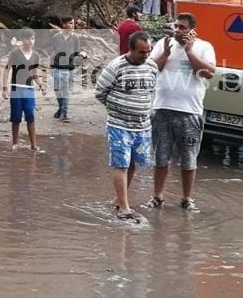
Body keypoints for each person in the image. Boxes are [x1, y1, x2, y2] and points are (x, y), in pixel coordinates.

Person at [144, 13, 216, 212]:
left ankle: (186, 198)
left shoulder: (204, 47)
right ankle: (157, 196)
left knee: (188, 158)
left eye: (182, 27)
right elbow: (150, 69)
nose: (178, 30)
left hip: (190, 111)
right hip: (162, 109)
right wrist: (166, 53)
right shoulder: (162, 44)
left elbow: (209, 73)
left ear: (192, 30)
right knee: (161, 156)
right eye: (176, 26)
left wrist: (190, 51)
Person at [95, 32, 158, 221]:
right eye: (141, 52)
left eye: (148, 51)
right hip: (119, 124)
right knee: (120, 163)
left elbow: (151, 91)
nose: (145, 55)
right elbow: (99, 92)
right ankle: (124, 207)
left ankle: (118, 199)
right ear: (131, 49)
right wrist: (117, 108)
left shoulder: (152, 67)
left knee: (132, 163)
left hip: (142, 125)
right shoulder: (116, 66)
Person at [2, 28, 46, 150]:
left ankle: (33, 144)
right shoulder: (15, 53)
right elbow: (7, 69)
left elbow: (34, 73)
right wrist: (5, 88)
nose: (30, 41)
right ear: (22, 40)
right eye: (27, 38)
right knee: (16, 116)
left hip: (29, 89)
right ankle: (15, 143)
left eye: (32, 38)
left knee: (30, 114)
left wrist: (41, 85)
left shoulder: (36, 55)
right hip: (16, 88)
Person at [51, 17, 87, 122]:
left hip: (69, 68)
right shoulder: (56, 37)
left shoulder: (75, 38)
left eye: (73, 23)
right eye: (70, 23)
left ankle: (64, 113)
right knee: (57, 91)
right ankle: (61, 109)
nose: (73, 25)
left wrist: (81, 54)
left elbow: (76, 52)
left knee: (66, 92)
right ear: (64, 24)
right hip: (57, 67)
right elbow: (53, 51)